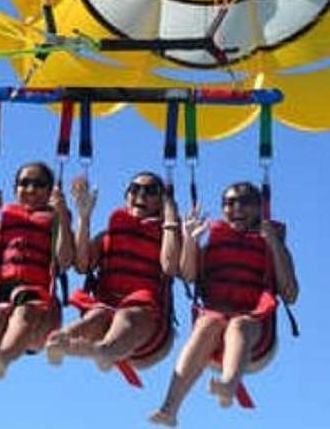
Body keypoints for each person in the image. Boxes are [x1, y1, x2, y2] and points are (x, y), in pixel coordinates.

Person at [149, 181, 298, 425]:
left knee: (238, 325)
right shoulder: (214, 243)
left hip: (255, 330)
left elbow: (290, 294)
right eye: (229, 203)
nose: (237, 208)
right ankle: (169, 408)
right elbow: (188, 275)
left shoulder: (273, 245)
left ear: (260, 208)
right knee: (208, 323)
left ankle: (228, 384)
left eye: (246, 202)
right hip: (215, 323)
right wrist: (189, 239)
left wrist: (273, 243)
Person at [45, 171, 181, 372]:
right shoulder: (107, 237)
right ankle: (63, 340)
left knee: (127, 315)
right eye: (135, 189)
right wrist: (84, 218)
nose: (141, 195)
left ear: (161, 202)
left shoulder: (167, 237)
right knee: (97, 316)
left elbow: (169, 266)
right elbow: (82, 266)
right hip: (106, 314)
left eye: (150, 191)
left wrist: (171, 217)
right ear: (127, 196)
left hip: (148, 331)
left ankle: (103, 350)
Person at [0, 161, 74, 380]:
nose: (31, 189)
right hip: (2, 294)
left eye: (39, 184)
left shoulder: (55, 220)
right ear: (15, 189)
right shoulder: (3, 221)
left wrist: (61, 214)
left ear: (50, 191)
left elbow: (65, 262)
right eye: (24, 183)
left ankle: (1, 358)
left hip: (38, 306)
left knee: (24, 311)